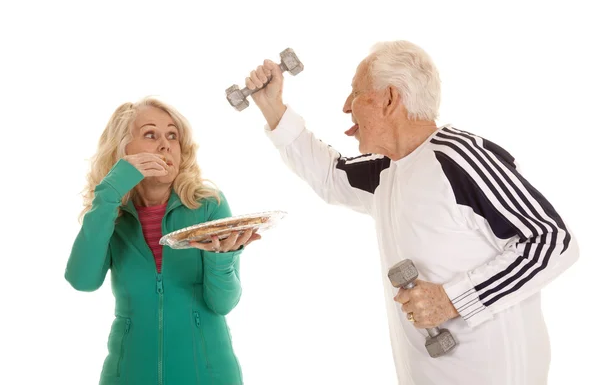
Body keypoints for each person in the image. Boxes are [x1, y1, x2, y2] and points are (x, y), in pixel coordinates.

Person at [242, 40, 579, 384]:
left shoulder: (460, 158)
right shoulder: (386, 171)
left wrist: (453, 300)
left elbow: (552, 241)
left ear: (388, 99)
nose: (346, 106)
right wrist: (272, 107)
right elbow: (331, 177)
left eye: (355, 93)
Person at [64, 96, 259, 385]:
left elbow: (223, 303)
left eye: (172, 135)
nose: (165, 145)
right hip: (128, 375)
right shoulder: (110, 215)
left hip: (208, 374)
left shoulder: (207, 205)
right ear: (123, 150)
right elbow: (82, 280)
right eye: (150, 134)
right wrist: (110, 192)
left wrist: (221, 259)